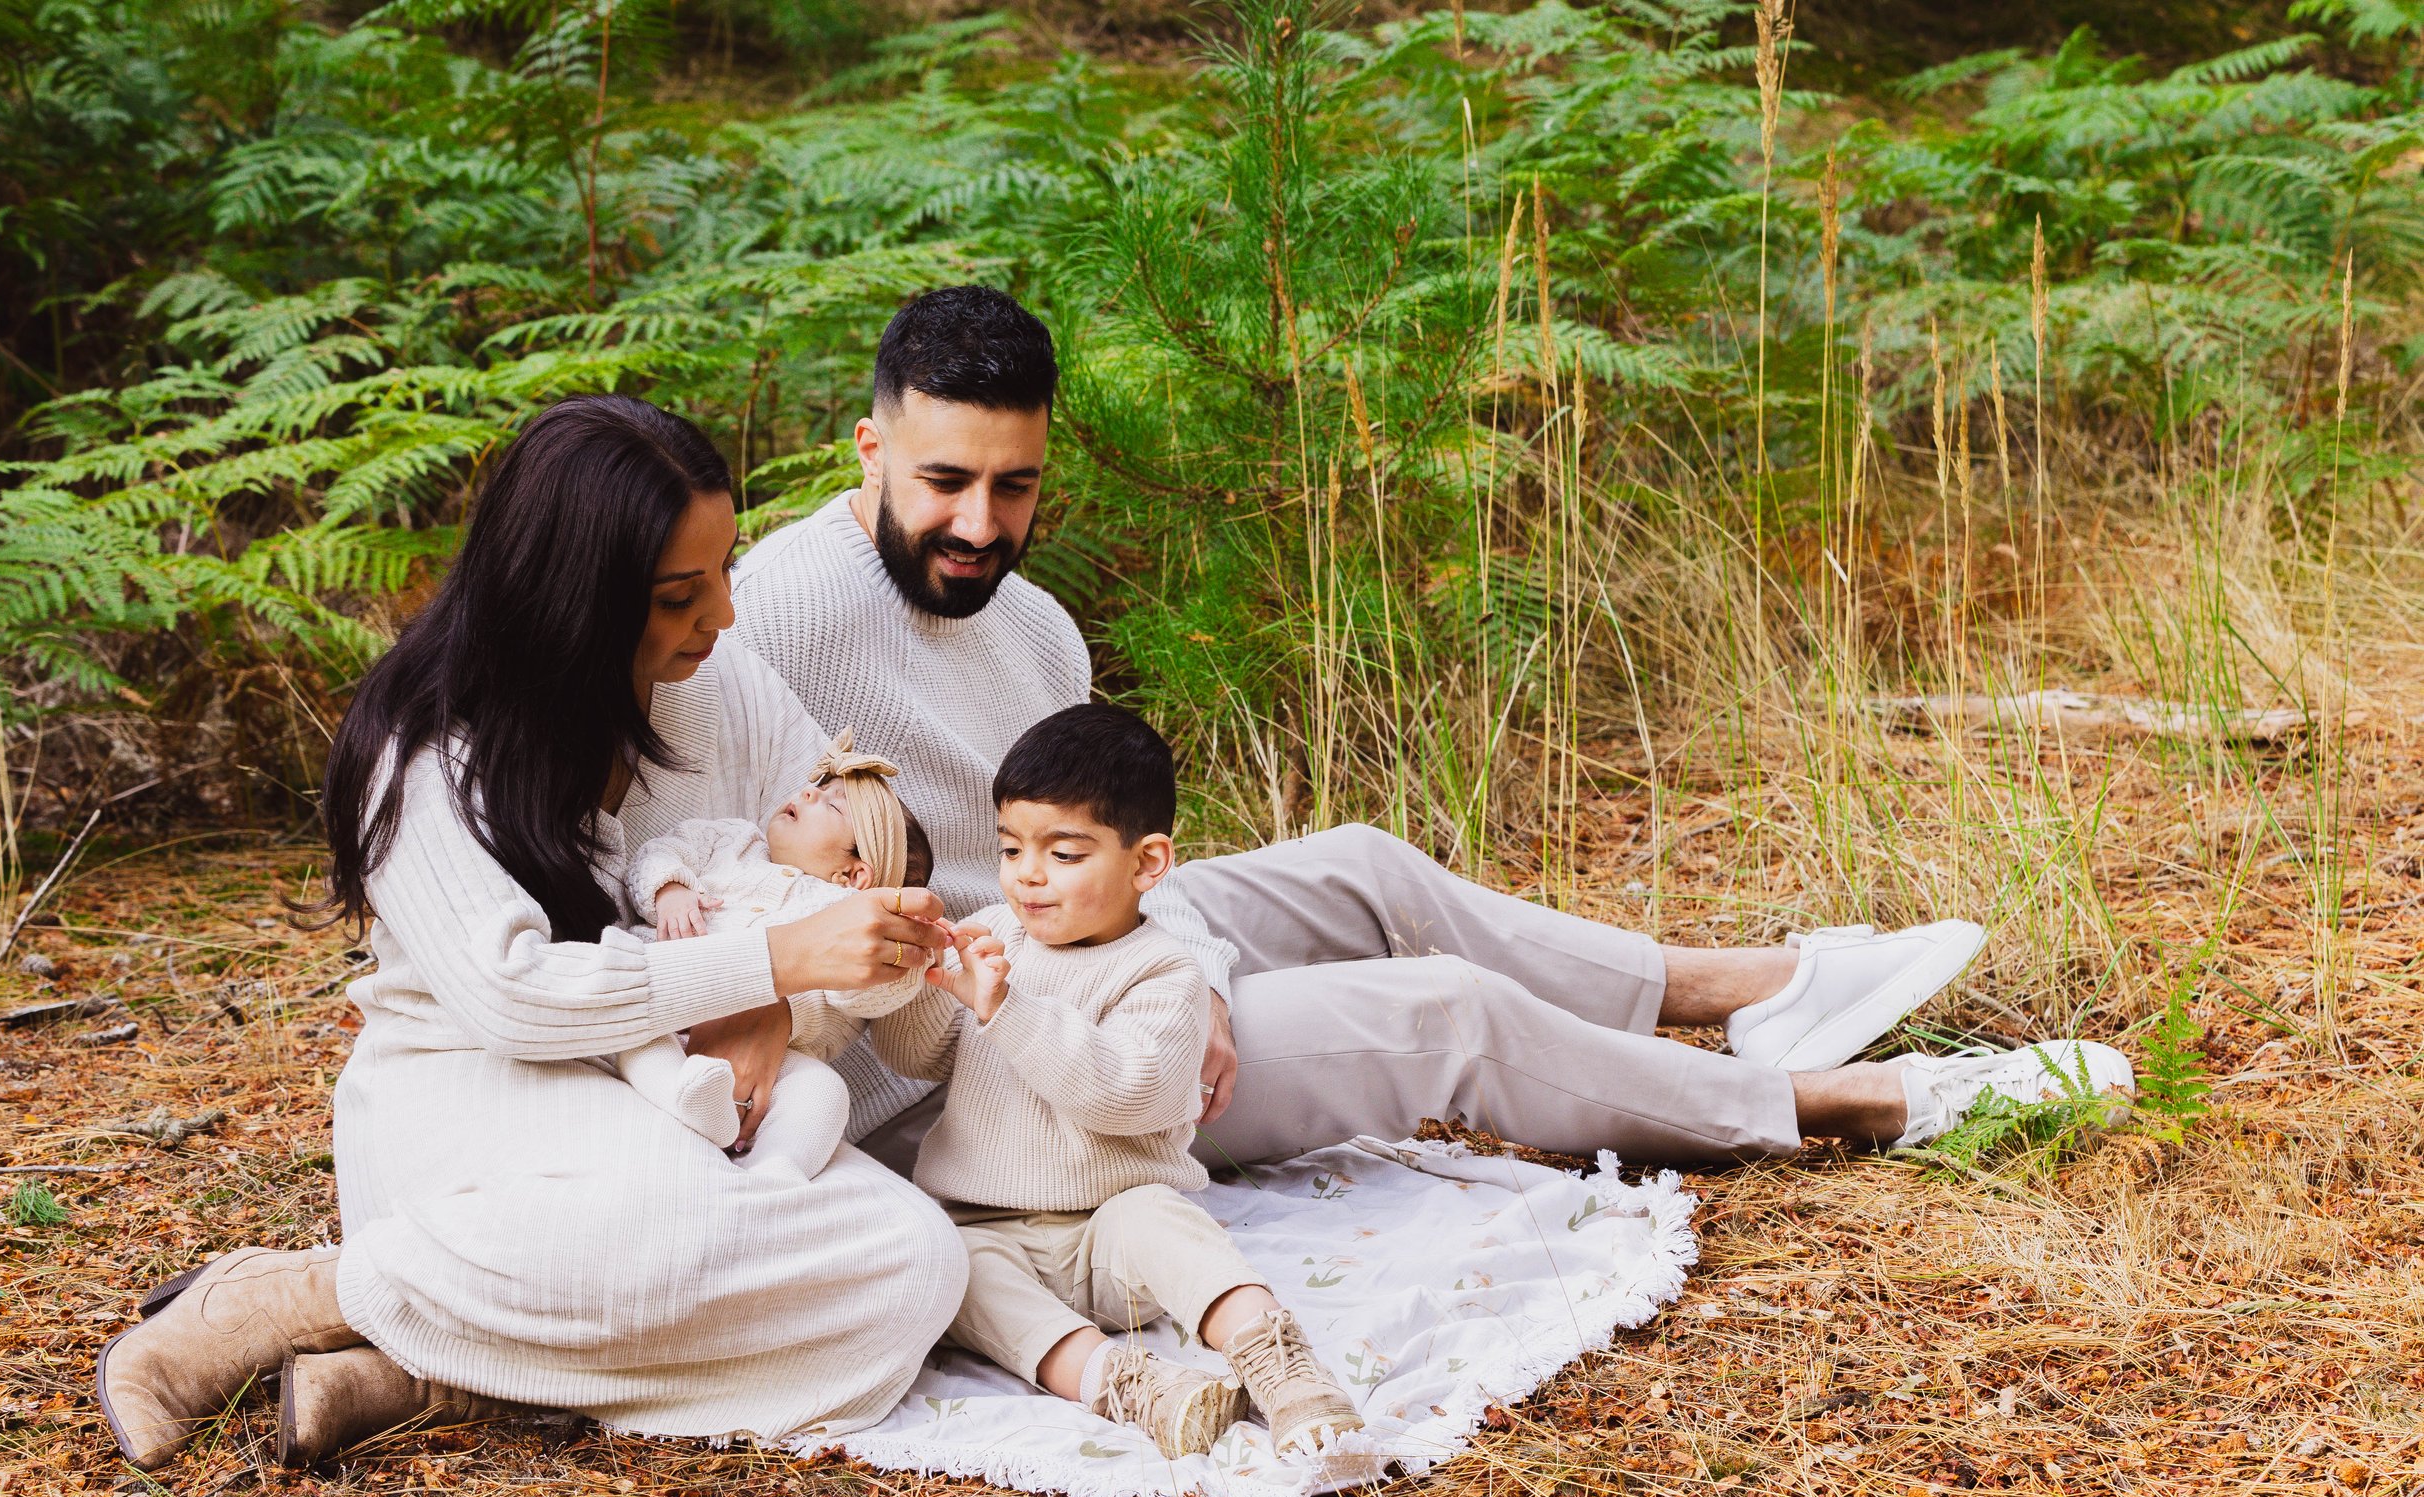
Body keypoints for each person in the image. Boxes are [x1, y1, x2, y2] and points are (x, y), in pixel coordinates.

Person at [729, 285, 2136, 1176]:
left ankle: (1747, 989)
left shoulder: (1033, 626)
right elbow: (725, 887)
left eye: (1015, 486)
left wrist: (1192, 967)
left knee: (1368, 866)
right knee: (1444, 1015)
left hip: (1078, 942)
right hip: (998, 1059)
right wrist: (1168, 1000)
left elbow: (1100, 860)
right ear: (869, 450)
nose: (981, 526)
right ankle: (1857, 1098)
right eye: (946, 483)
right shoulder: (776, 613)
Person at [94, 395, 968, 1473]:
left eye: (726, 569)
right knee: (676, 1216)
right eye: (680, 594)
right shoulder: (422, 753)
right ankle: (281, 1297)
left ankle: (437, 1373)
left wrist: (844, 975)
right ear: (576, 603)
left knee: (915, 1262)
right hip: (469, 1102)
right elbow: (511, 995)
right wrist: (769, 962)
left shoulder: (716, 679)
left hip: (664, 1112)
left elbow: (837, 844)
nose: (726, 616)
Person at [872, 705, 1362, 1458]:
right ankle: (1130, 1383)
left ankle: (1274, 1358)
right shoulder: (996, 937)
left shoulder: (1164, 970)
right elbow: (918, 1053)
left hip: (1110, 1221)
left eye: (1064, 854)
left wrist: (1005, 1007)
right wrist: (919, 983)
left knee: (1166, 1223)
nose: (1028, 875)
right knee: (951, 1271)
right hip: (984, 1224)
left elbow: (1127, 1089)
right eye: (1010, 849)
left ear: (1147, 864)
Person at [616, 730, 932, 1178]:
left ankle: (778, 1172)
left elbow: (868, 994)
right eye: (819, 787)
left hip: (775, 1056)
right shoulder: (730, 841)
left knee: (824, 1092)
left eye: (833, 804)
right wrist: (670, 890)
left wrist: (908, 949)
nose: (807, 791)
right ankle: (685, 1099)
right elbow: (657, 852)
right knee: (637, 1041)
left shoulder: (845, 915)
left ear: (854, 874)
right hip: (670, 1001)